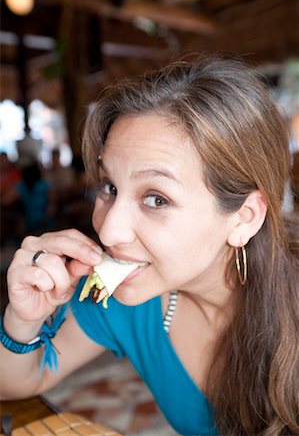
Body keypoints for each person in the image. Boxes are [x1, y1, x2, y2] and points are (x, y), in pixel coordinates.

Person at [0, 56, 298, 436]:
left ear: (244, 218)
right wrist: (24, 319)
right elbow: (14, 383)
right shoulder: (128, 300)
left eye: (156, 198)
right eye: (109, 187)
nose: (108, 231)